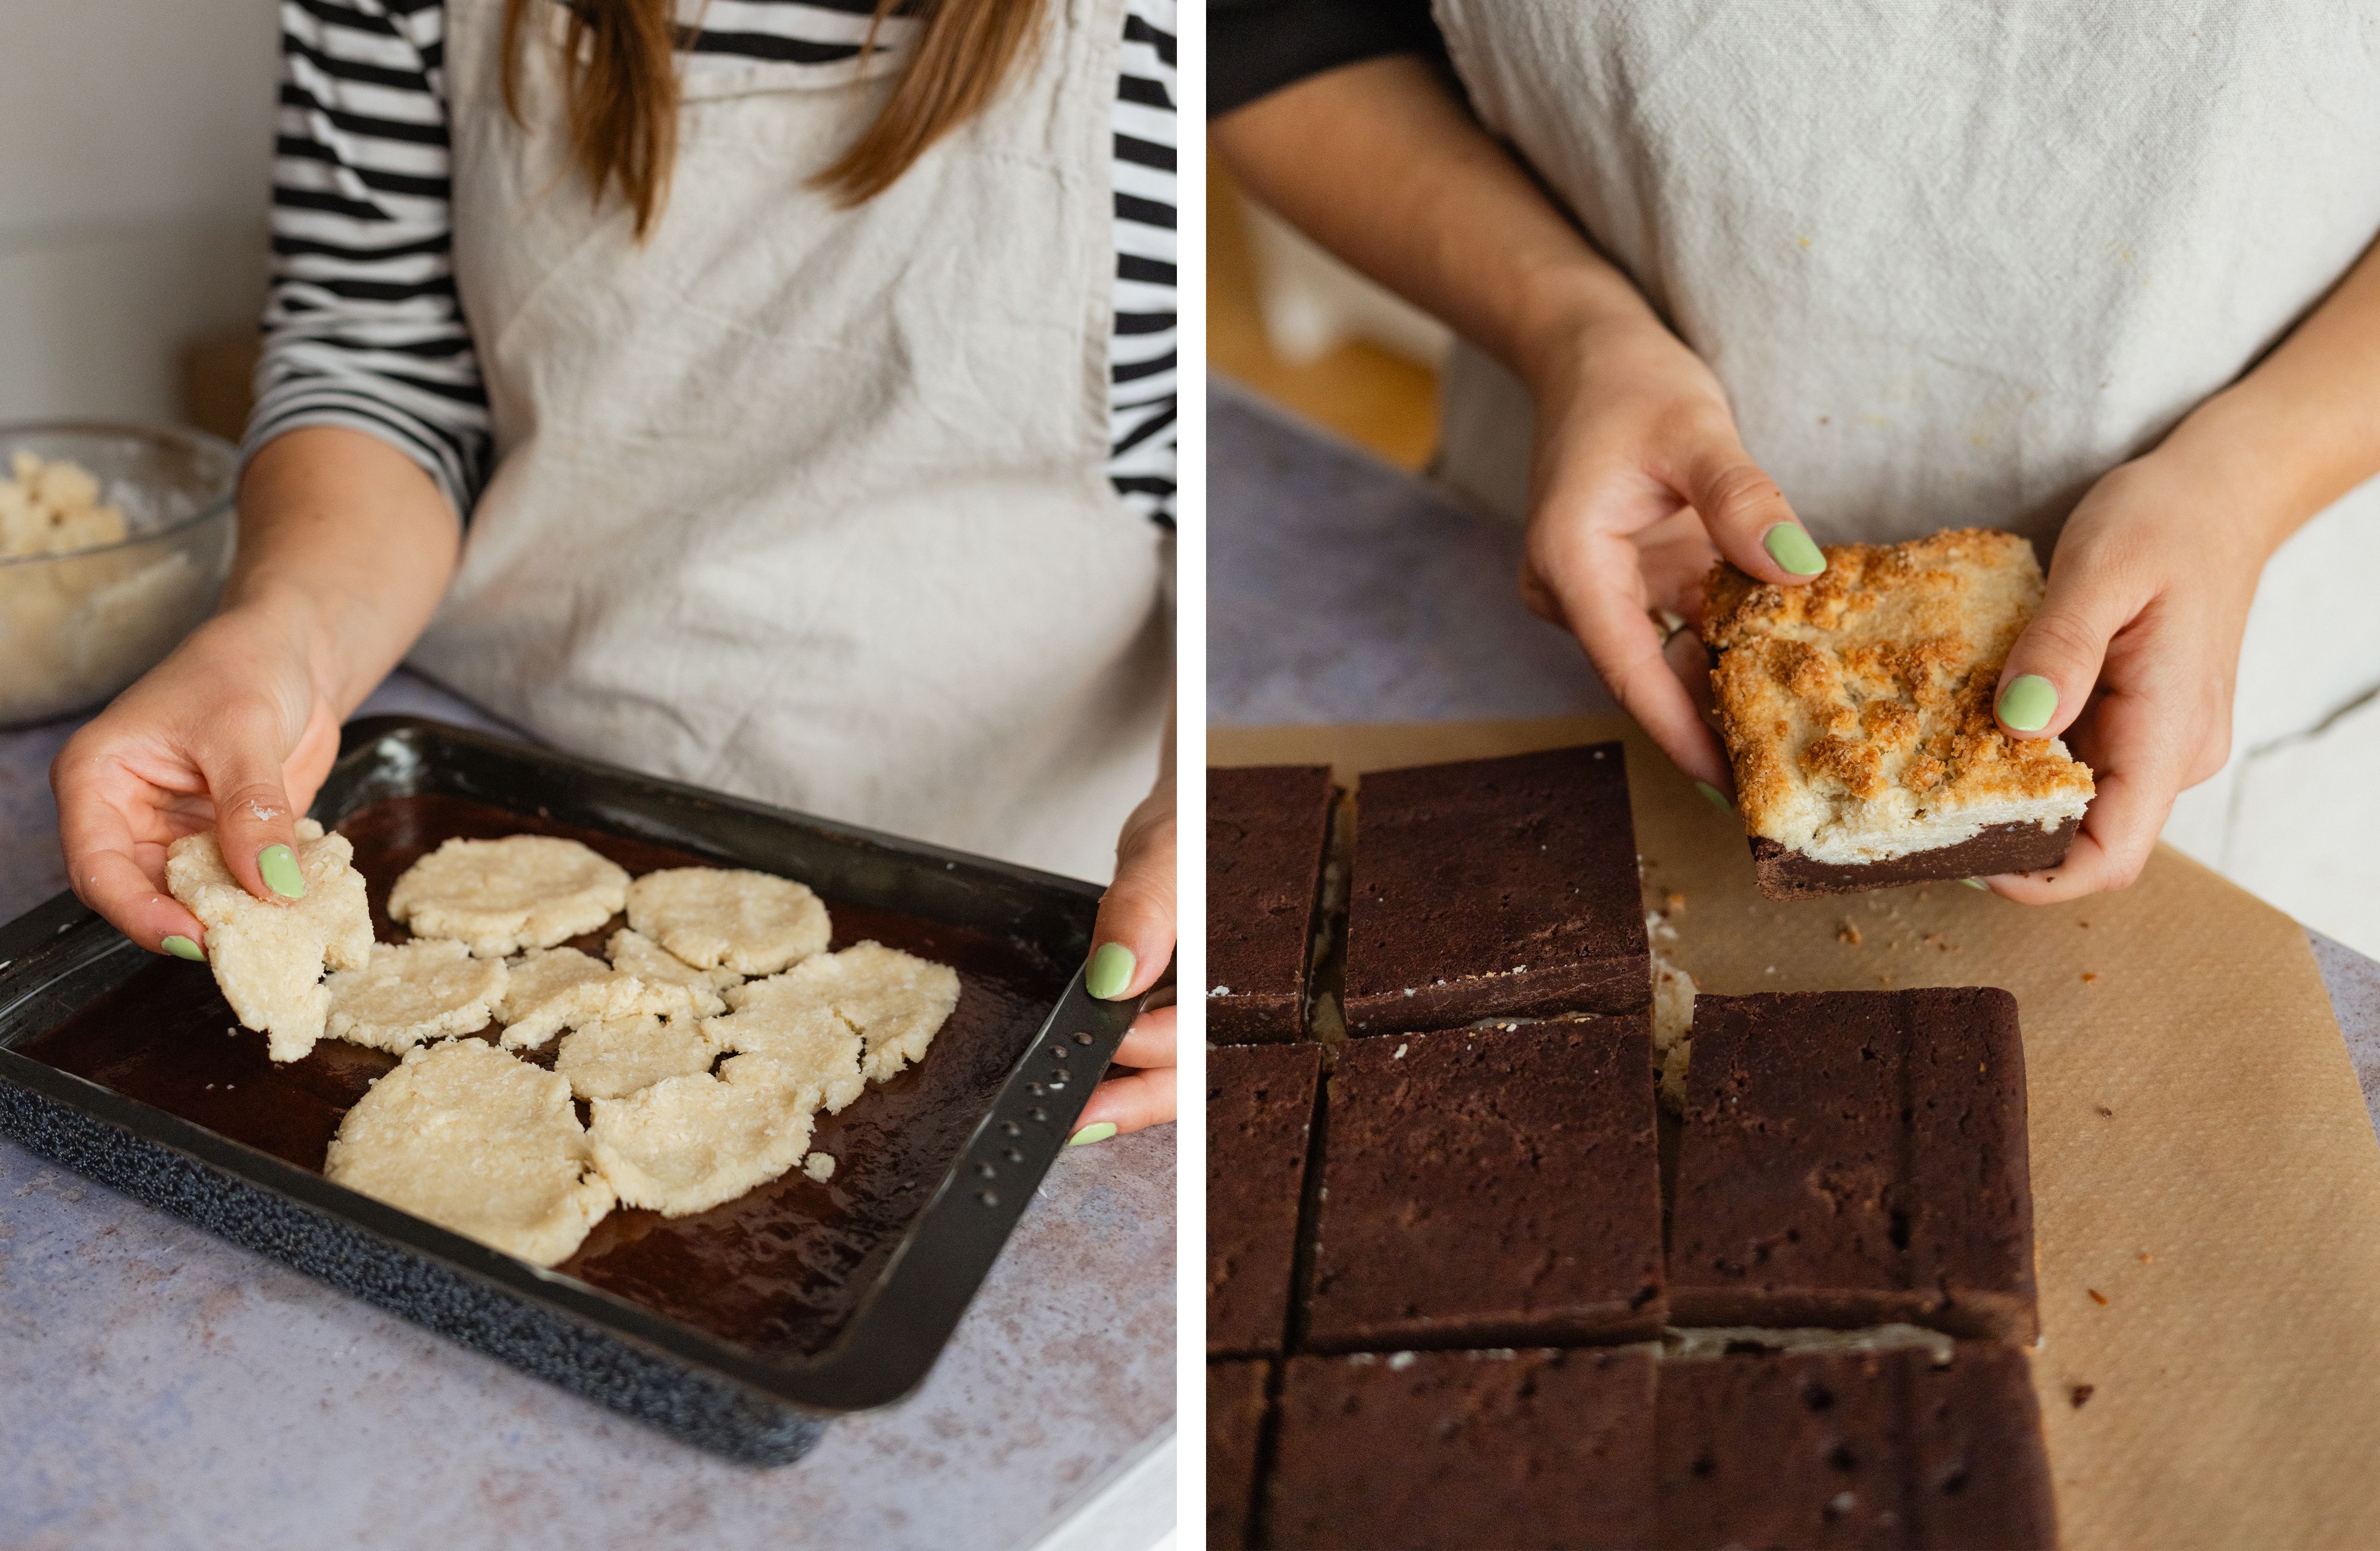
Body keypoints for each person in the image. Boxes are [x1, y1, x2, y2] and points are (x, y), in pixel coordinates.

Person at [52, 0, 1179, 1140]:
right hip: (507, 762)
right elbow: (382, 361)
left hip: (1003, 853)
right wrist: (277, 632)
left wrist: (1221, 811)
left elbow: (1201, 467)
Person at [1214, 3, 2380, 932]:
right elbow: (1259, 33)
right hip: (1596, 542)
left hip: (2241, 588)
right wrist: (1566, 326)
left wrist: (2245, 480)